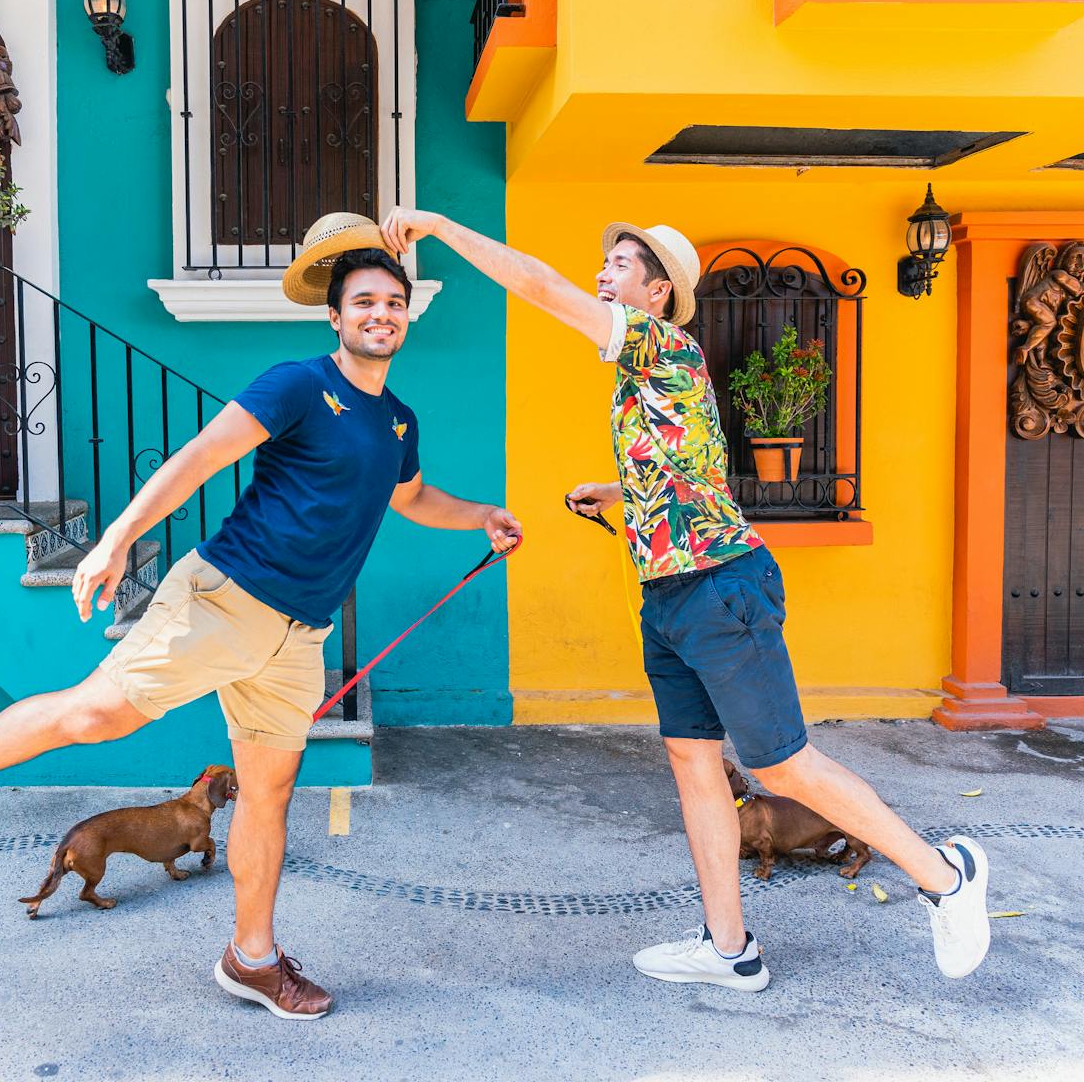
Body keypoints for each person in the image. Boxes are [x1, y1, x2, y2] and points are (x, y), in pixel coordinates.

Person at [0, 212, 521, 1019]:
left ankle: (253, 959)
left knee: (269, 798)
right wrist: (118, 538)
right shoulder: (299, 385)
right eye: (365, 301)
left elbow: (411, 497)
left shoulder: (398, 420)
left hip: (298, 637)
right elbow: (201, 457)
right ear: (336, 316)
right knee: (95, 714)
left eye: (393, 302)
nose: (381, 313)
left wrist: (482, 512)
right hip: (226, 597)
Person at [379, 208, 991, 989]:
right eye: (604, 265)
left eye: (621, 266)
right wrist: (615, 492)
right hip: (669, 595)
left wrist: (440, 226)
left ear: (659, 290)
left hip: (720, 587)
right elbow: (696, 466)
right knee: (692, 760)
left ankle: (945, 876)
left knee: (785, 765)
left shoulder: (657, 340)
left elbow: (538, 286)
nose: (603, 276)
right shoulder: (648, 375)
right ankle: (728, 949)